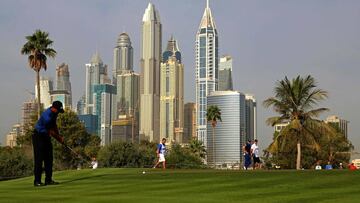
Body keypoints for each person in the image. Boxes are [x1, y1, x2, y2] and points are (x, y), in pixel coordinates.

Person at [32, 101, 64, 186]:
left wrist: (59, 136)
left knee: (49, 158)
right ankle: (37, 181)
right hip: (38, 136)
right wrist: (59, 138)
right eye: (58, 111)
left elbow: (54, 126)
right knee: (39, 159)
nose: (58, 113)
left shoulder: (54, 114)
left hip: (45, 136)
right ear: (53, 108)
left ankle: (48, 180)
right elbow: (51, 131)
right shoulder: (47, 116)